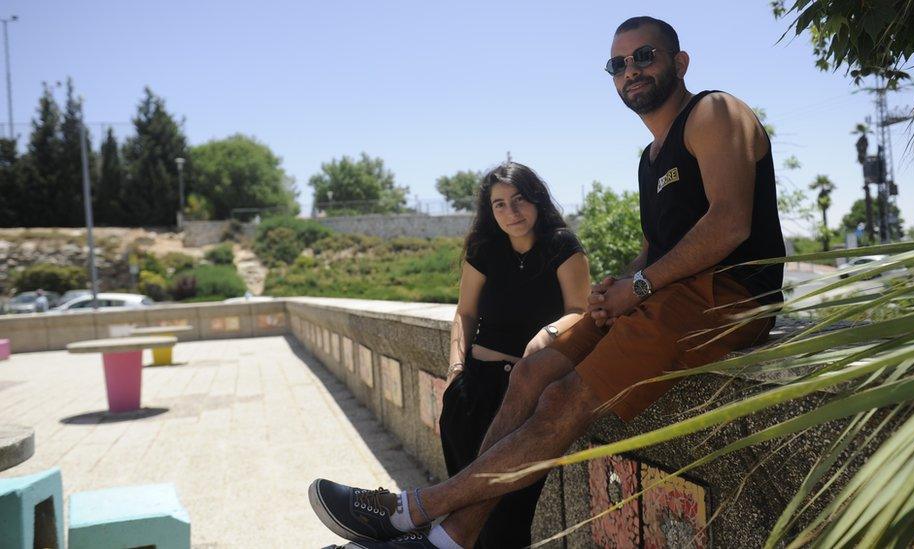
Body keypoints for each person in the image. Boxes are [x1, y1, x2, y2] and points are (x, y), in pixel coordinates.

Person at [308, 15, 785, 549]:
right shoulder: (650, 159)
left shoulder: (714, 111)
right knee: (531, 374)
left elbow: (728, 223)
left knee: (562, 402)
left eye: (644, 56)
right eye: (618, 64)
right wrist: (619, 286)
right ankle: (451, 537)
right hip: (667, 296)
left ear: (680, 62)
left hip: (729, 300)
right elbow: (655, 250)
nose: (631, 70)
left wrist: (642, 286)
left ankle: (414, 512)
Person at [438, 162, 589, 548]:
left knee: (508, 520)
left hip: (524, 395)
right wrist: (456, 371)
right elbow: (466, 312)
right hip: (471, 391)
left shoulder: (562, 245)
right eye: (499, 205)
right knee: (463, 514)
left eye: (519, 200)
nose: (511, 212)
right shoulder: (484, 249)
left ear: (536, 199)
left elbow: (580, 310)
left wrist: (548, 333)